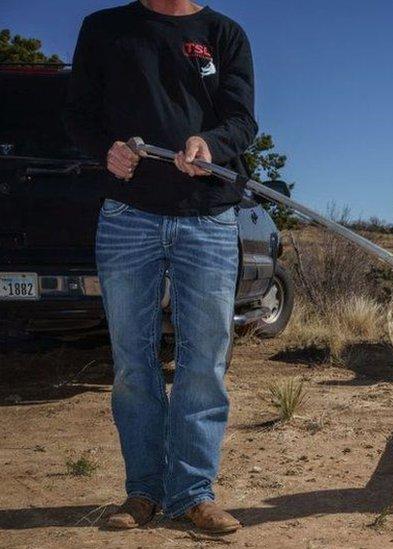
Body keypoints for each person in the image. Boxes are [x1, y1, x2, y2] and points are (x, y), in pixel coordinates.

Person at [64, 0, 257, 532]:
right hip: (128, 216)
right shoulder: (104, 29)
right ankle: (143, 493)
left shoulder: (224, 34)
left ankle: (193, 494)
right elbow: (79, 113)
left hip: (209, 218)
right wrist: (105, 150)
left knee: (204, 361)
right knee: (133, 361)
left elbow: (242, 120)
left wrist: (208, 143)